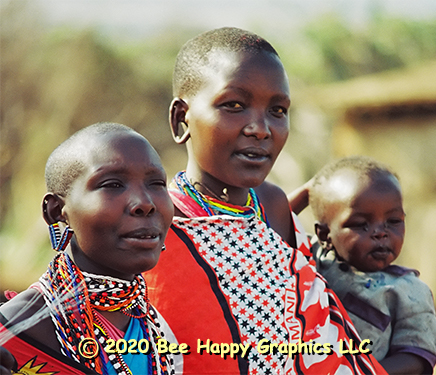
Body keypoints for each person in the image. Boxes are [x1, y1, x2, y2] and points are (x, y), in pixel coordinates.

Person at [145, 27, 386, 375]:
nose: (261, 128)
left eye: (277, 110)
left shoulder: (273, 206)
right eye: (234, 105)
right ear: (181, 118)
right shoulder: (155, 222)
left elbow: (307, 325)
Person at [0, 123, 175, 375]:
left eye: (156, 183)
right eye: (113, 184)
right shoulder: (14, 333)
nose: (145, 204)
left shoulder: (161, 333)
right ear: (56, 211)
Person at [291, 155, 436, 375]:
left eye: (394, 221)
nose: (381, 233)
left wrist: (360, 371)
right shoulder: (314, 258)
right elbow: (266, 223)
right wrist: (307, 191)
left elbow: (417, 357)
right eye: (361, 224)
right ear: (325, 235)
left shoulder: (410, 293)